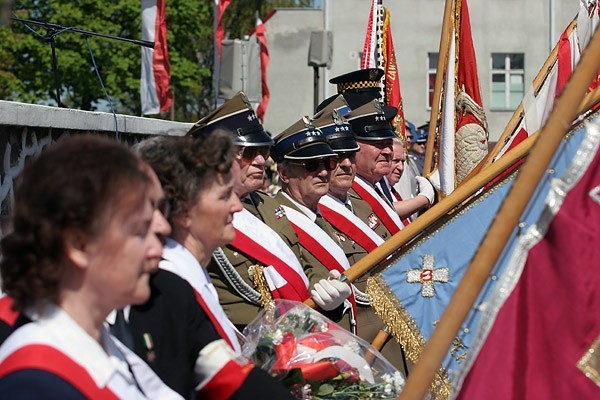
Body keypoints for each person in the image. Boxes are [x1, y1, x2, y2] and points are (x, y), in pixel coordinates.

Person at [0, 135, 181, 399]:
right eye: (139, 231)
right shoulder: (34, 384)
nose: (157, 249)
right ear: (79, 244)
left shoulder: (100, 342)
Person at [129, 133, 293, 399]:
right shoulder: (165, 289)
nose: (237, 207)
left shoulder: (189, 274)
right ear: (184, 210)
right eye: (224, 196)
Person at [194, 93, 327, 332]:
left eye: (263, 151)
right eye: (247, 152)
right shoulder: (198, 214)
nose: (261, 161)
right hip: (243, 338)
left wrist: (321, 286)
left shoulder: (267, 204)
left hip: (296, 328)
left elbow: (303, 264)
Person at [312, 97, 410, 374]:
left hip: (389, 335)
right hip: (361, 343)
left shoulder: (364, 202)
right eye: (335, 157)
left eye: (349, 154)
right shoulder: (321, 211)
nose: (345, 164)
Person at [271, 117, 355, 331]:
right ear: (283, 174)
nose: (324, 172)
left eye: (328, 163)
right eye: (311, 165)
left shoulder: (321, 214)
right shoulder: (274, 220)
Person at [386, 138, 434, 221]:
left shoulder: (391, 190)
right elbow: (386, 211)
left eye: (403, 162)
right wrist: (424, 198)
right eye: (395, 160)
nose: (401, 167)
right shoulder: (375, 186)